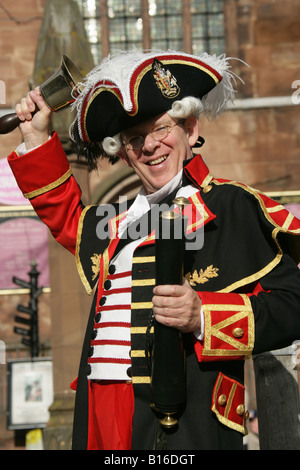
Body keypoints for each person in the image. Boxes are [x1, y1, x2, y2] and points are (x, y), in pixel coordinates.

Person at [7, 50, 300, 451]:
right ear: (124, 153)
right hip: (99, 413)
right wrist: (37, 137)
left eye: (161, 128)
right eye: (134, 139)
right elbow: (67, 215)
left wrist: (203, 316)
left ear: (191, 128)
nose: (150, 146)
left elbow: (293, 304)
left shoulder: (232, 205)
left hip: (187, 422)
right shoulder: (116, 220)